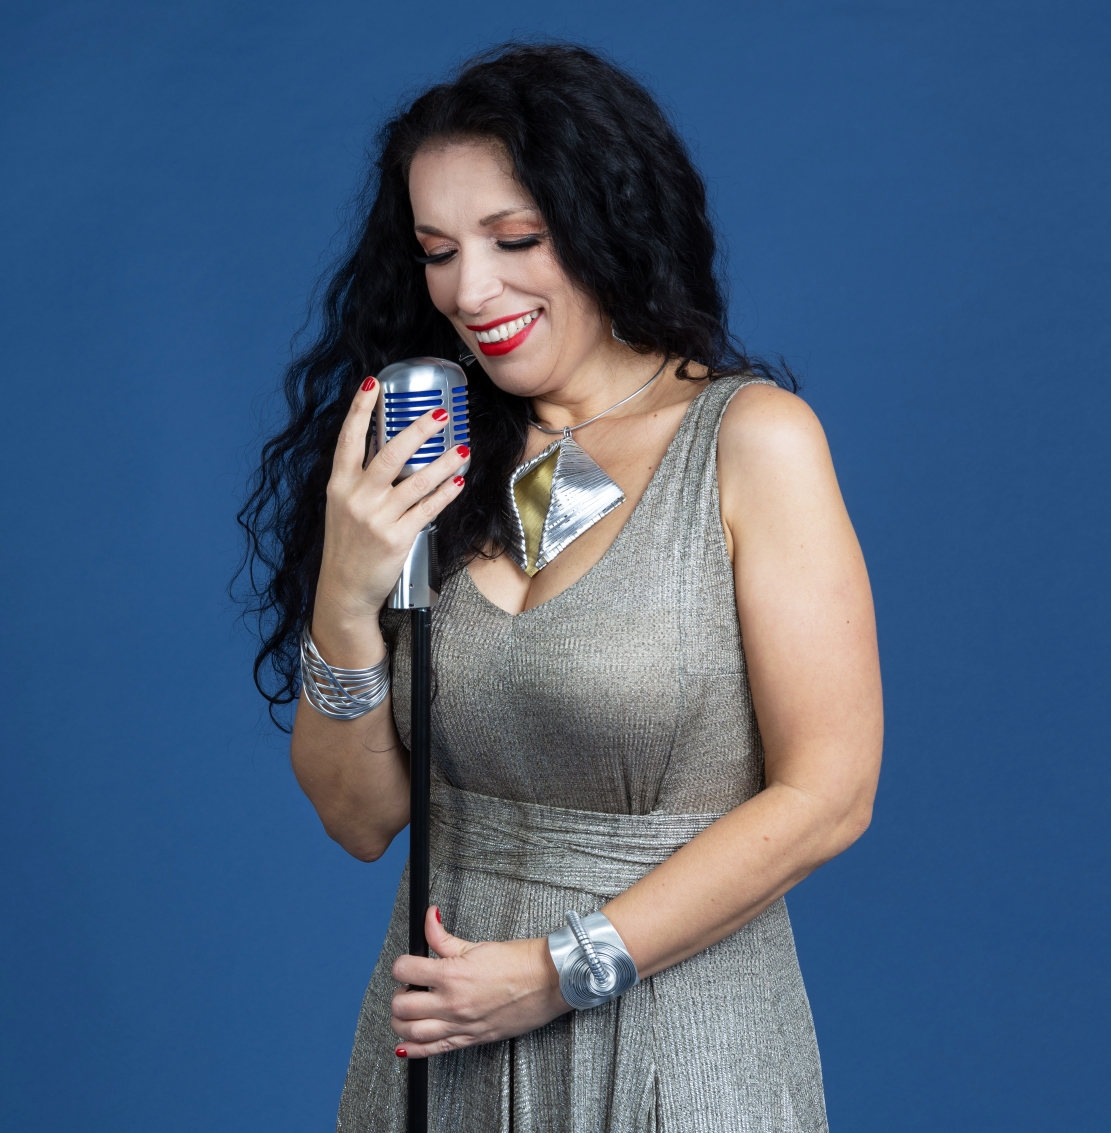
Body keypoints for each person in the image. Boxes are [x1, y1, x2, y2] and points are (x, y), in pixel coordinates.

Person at [237, 42, 883, 1131]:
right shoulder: (437, 458)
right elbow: (360, 818)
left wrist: (556, 970)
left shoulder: (749, 442)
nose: (469, 290)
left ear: (605, 224)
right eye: (437, 251)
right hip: (444, 1044)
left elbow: (829, 794)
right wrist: (345, 591)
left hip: (675, 1042)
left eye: (515, 239)